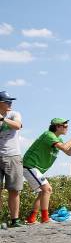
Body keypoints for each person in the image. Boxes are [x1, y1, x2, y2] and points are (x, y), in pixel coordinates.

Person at [23, 118, 71, 224]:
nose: (67, 128)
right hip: (30, 165)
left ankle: (31, 218)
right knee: (47, 189)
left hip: (35, 168)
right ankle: (45, 219)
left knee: (43, 192)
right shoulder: (49, 135)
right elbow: (65, 148)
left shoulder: (58, 139)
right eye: (65, 126)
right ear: (57, 127)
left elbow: (69, 152)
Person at [0, 91, 24, 228]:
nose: (10, 103)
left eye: (10, 101)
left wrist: (2, 119)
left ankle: (15, 220)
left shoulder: (14, 114)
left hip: (12, 155)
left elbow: (17, 126)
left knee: (14, 189)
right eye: (7, 101)